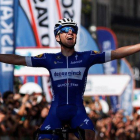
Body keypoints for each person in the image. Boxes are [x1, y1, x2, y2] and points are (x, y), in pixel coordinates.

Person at [0, 18, 140, 140]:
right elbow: (18, 59)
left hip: (77, 111)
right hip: (56, 112)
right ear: (57, 37)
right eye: (65, 30)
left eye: (73, 30)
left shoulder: (86, 57)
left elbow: (115, 54)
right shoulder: (49, 59)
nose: (70, 32)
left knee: (89, 135)